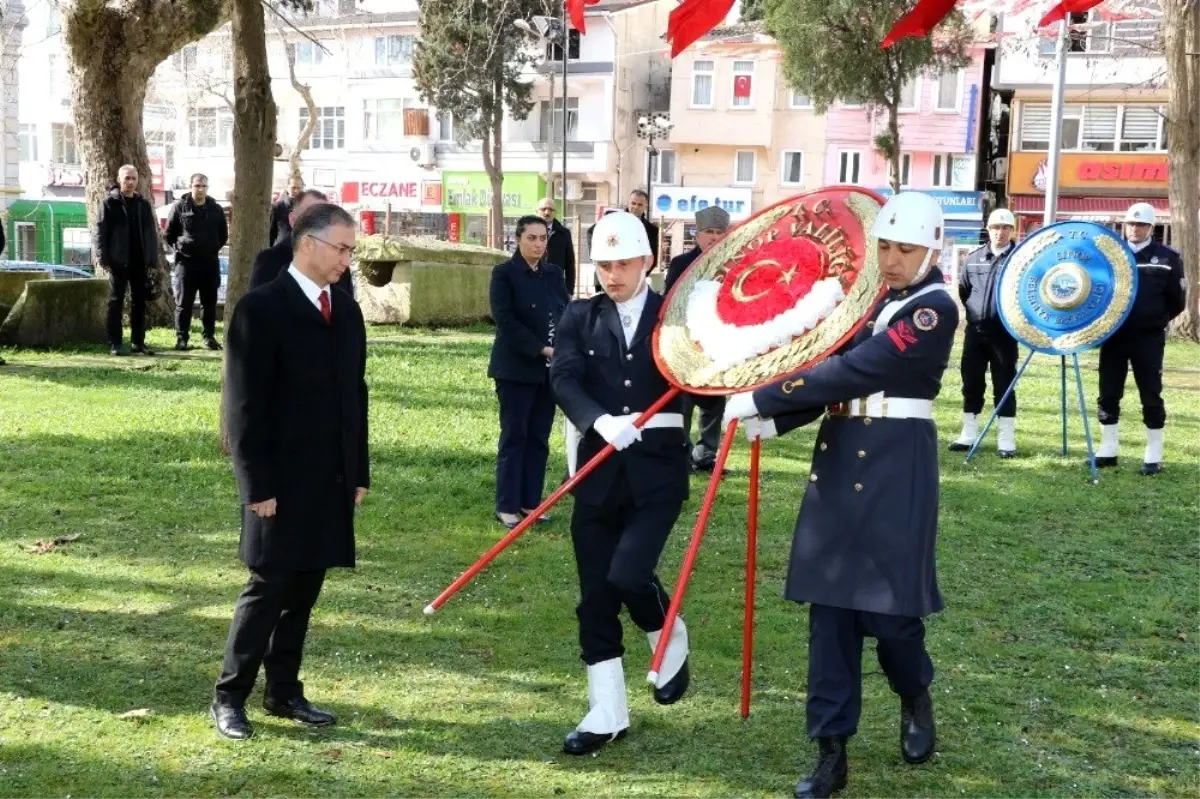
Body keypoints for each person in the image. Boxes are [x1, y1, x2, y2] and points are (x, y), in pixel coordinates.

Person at [724, 192, 958, 799]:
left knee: (892, 616)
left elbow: (862, 371)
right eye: (884, 246)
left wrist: (766, 397)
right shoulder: (869, 301)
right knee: (830, 620)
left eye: (905, 249)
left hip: (895, 468)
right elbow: (832, 374)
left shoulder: (935, 308)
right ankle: (831, 753)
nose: (892, 259)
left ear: (933, 249)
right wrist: (778, 422)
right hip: (838, 459)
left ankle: (914, 693)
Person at [212, 203, 370, 741]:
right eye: (342, 249)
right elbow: (243, 407)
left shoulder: (346, 312)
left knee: (306, 585)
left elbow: (356, 396)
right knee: (269, 586)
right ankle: (230, 696)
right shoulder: (262, 309)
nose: (348, 261)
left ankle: (284, 690)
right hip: (278, 480)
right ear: (307, 243)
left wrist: (358, 470)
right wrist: (256, 487)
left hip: (328, 476)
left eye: (352, 250)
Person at [549, 210, 691, 757]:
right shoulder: (580, 316)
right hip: (597, 469)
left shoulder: (675, 318)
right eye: (604, 264)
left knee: (630, 573)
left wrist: (738, 406)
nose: (613, 274)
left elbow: (704, 377)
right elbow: (563, 376)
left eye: (624, 263)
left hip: (657, 471)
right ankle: (606, 710)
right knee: (595, 597)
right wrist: (596, 419)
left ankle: (668, 632)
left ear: (647, 261)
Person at [487, 215, 570, 529]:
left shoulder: (553, 274)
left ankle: (530, 503)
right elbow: (505, 321)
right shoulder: (504, 274)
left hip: (549, 372)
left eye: (542, 238)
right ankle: (506, 505)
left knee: (539, 438)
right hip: (515, 369)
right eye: (531, 238)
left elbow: (564, 310)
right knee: (515, 437)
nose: (538, 244)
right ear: (518, 240)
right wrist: (542, 348)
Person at [1095, 202, 1186, 475]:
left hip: (1148, 339)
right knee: (1108, 393)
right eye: (1132, 224)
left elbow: (1177, 301)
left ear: (1151, 228)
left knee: (1150, 393)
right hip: (1114, 336)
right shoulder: (1110, 254)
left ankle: (1154, 454)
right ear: (1125, 226)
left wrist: (1154, 320)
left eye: (1141, 225)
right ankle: (1108, 449)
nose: (1135, 229)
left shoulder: (1167, 257)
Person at [949, 208, 1020, 457]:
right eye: (995, 228)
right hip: (976, 332)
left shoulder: (1020, 258)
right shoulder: (974, 257)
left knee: (1004, 383)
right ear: (988, 230)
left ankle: (1006, 439)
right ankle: (968, 434)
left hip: (1005, 333)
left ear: (1013, 230)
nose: (1000, 233)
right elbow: (964, 291)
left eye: (1005, 228)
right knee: (971, 382)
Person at [665, 205, 731, 471]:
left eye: (718, 232)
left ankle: (705, 455)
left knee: (714, 400)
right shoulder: (681, 263)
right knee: (683, 401)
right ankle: (681, 453)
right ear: (697, 234)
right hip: (685, 341)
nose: (713, 238)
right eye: (708, 232)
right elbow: (669, 302)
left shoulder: (732, 264)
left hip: (718, 343)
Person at [95, 165, 160, 356]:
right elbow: (100, 231)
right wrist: (103, 257)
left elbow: (151, 234)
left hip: (139, 261)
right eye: (126, 178)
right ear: (119, 179)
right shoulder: (109, 203)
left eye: (133, 178)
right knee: (116, 301)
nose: (130, 182)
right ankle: (115, 342)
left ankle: (138, 342)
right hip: (118, 261)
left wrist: (152, 259)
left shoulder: (143, 204)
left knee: (139, 302)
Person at [165, 173, 229, 351]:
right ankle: (182, 338)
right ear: (190, 186)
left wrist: (212, 247)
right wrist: (179, 248)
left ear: (207, 188)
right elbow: (168, 234)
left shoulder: (215, 209)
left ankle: (208, 338)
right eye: (197, 186)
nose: (200, 189)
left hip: (209, 262)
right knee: (183, 303)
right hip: (186, 264)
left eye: (203, 186)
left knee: (209, 303)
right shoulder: (180, 207)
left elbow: (223, 235)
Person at [250, 190, 353, 297]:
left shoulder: (339, 263)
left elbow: (347, 307)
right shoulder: (269, 260)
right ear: (292, 220)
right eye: (310, 216)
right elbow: (256, 308)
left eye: (324, 218)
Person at [537, 198, 577, 296]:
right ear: (537, 211)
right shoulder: (527, 232)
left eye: (551, 209)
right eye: (543, 209)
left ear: (555, 212)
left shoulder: (564, 234)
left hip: (556, 287)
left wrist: (569, 291)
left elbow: (570, 263)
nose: (547, 212)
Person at [268, 176, 305, 246]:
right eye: (293, 187)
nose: (296, 191)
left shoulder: (308, 208)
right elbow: (271, 233)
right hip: (281, 251)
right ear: (287, 188)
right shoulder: (277, 207)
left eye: (299, 188)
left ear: (302, 189)